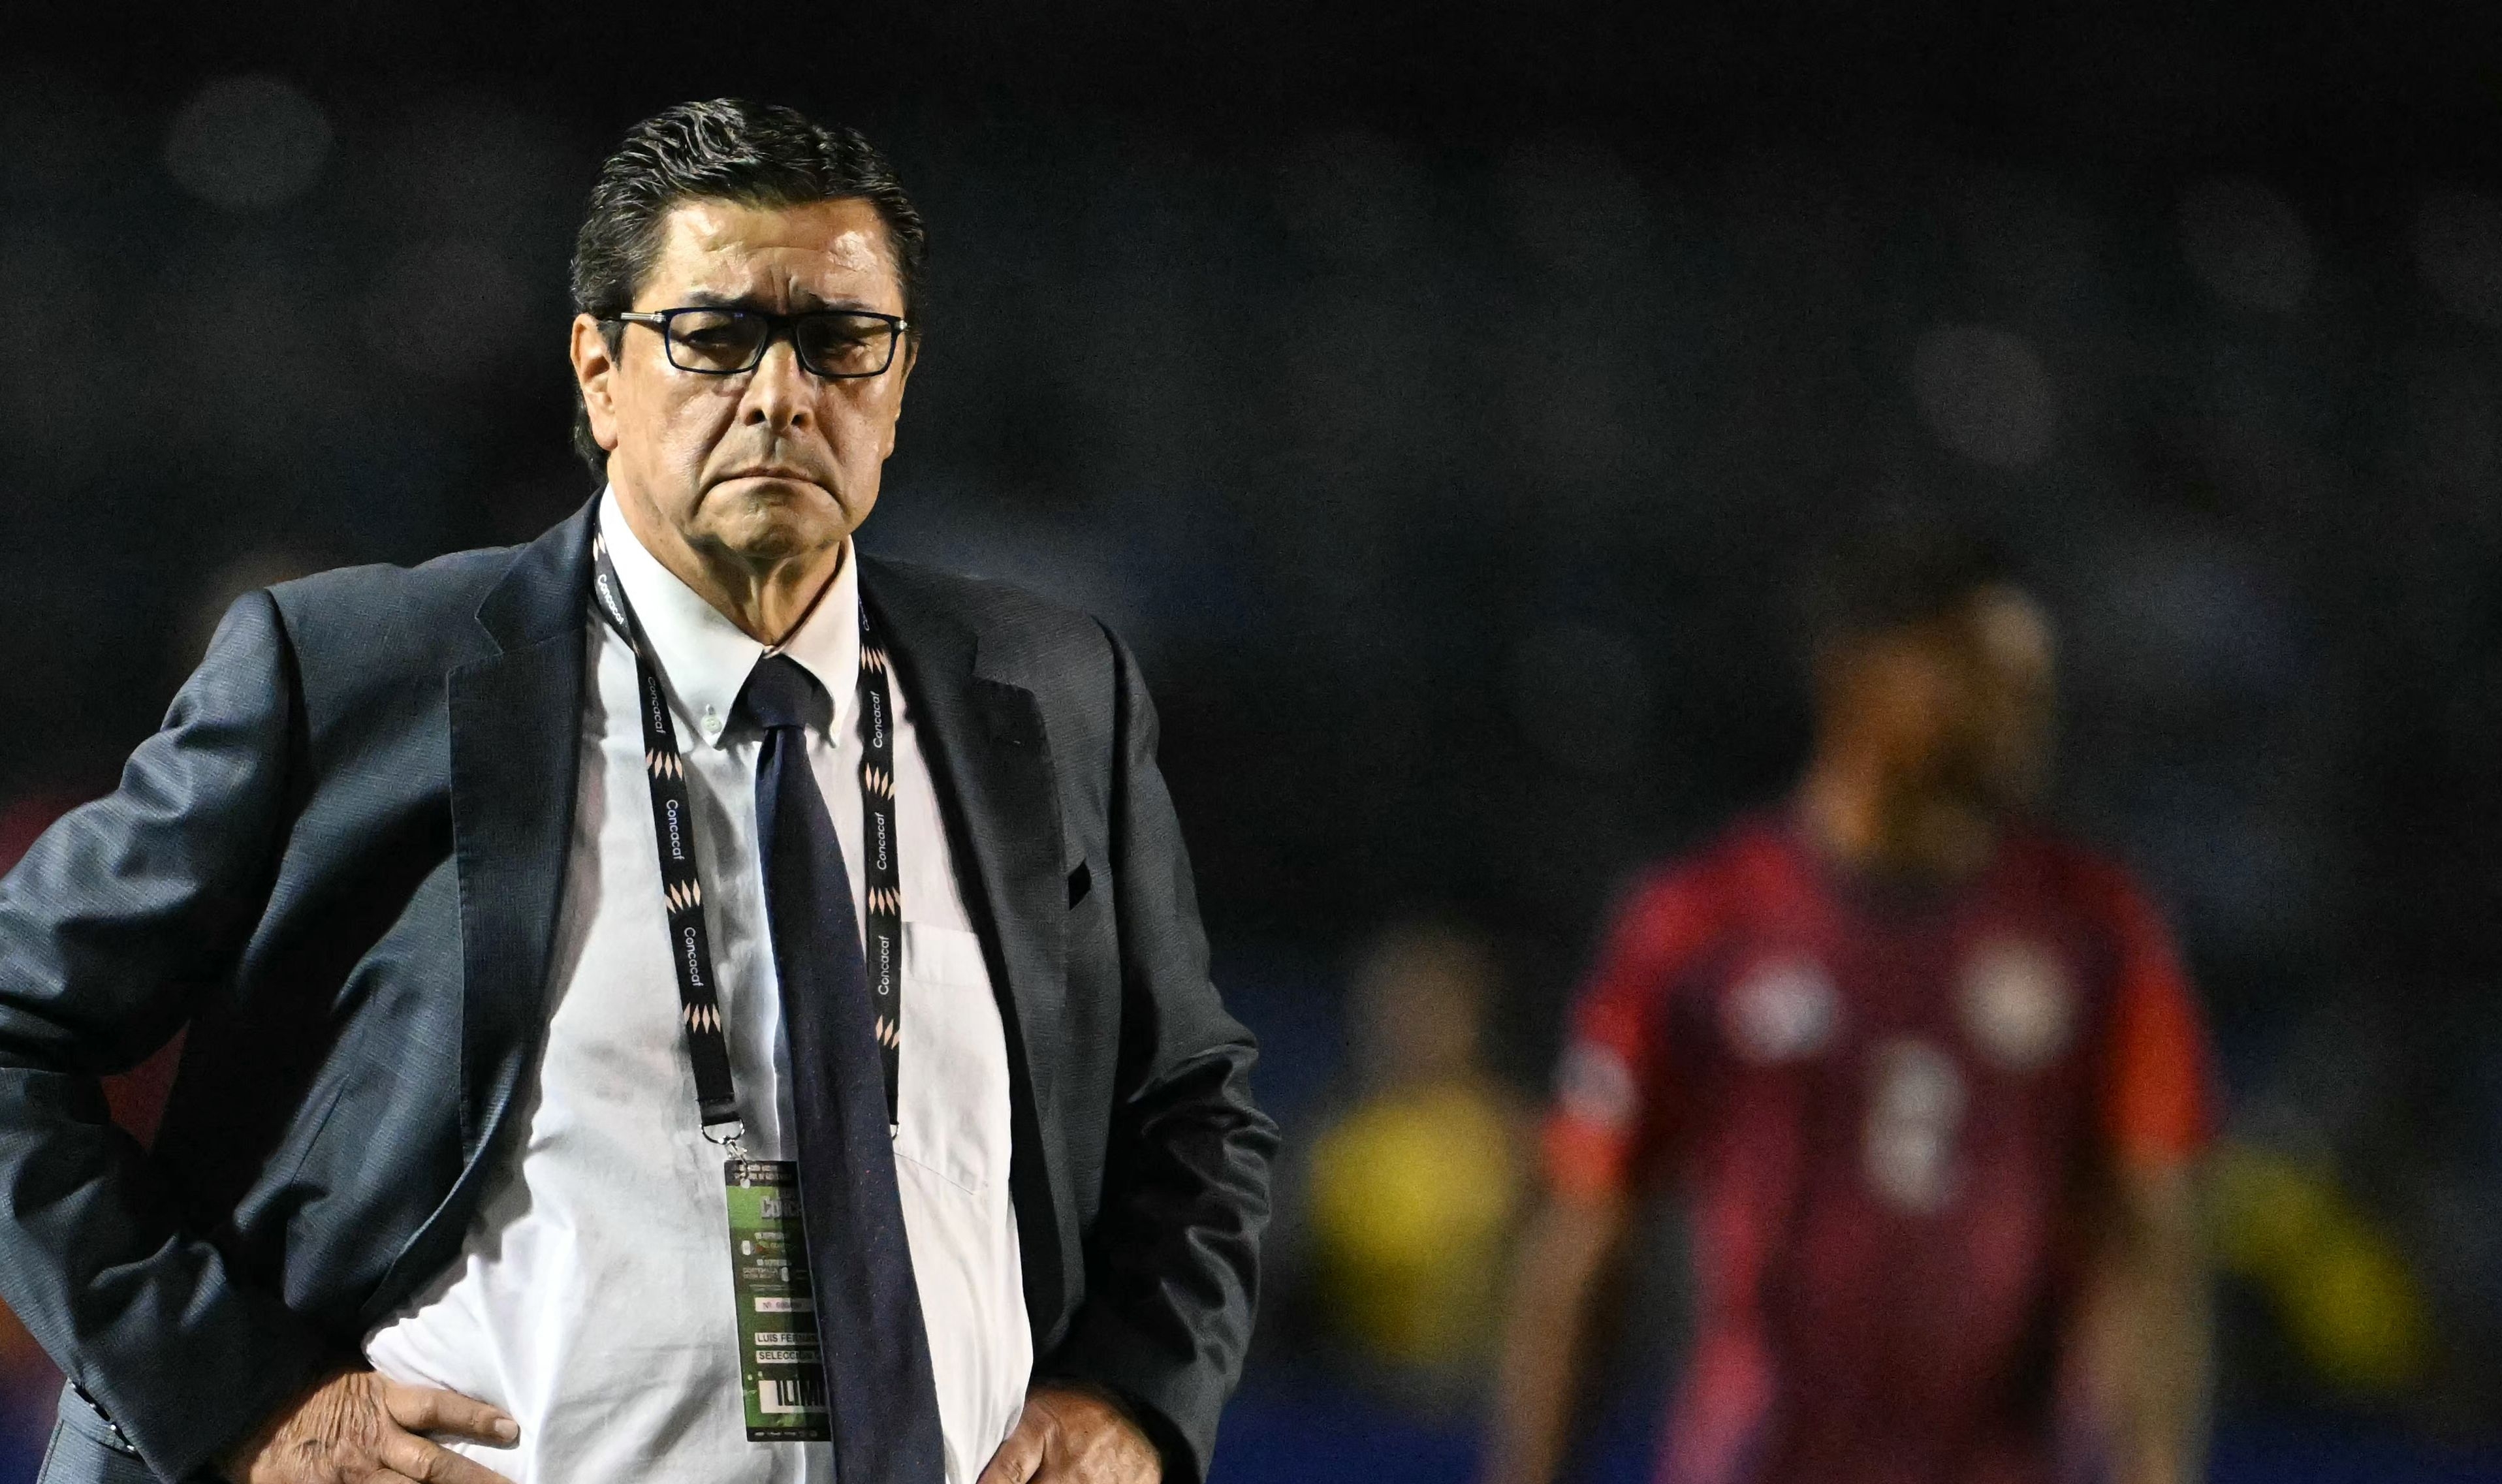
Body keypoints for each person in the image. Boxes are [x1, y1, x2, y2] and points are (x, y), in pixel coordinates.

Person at [0, 99, 1274, 1484]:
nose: (782, 394)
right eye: (716, 337)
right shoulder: (360, 675)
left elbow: (1188, 1104)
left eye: (842, 343)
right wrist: (245, 1404)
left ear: (898, 384)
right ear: (599, 374)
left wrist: (1136, 1400)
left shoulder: (1052, 687)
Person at [1482, 513, 2216, 1484]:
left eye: (2033, 683)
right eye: (1983, 673)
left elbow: (2150, 1238)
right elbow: (1585, 1240)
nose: (2024, 710)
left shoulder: (2097, 929)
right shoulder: (1700, 925)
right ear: (1859, 676)